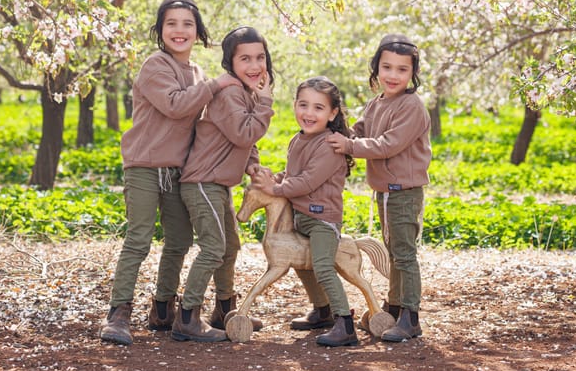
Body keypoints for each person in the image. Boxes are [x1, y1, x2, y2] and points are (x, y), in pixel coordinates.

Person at [99, 0, 238, 346]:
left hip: (178, 170)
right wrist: (216, 85)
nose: (180, 30)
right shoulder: (155, 65)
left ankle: (163, 308)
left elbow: (204, 122)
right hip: (144, 166)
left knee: (179, 240)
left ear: (198, 31)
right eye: (171, 24)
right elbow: (175, 105)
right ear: (160, 30)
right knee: (139, 238)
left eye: (188, 24)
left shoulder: (197, 72)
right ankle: (118, 314)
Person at [172, 26, 274, 342]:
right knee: (214, 248)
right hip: (202, 183)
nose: (255, 66)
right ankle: (186, 317)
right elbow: (244, 133)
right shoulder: (230, 93)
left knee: (230, 247)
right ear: (230, 62)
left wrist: (252, 164)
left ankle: (225, 310)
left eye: (260, 58)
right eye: (245, 59)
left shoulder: (244, 93)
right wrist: (266, 103)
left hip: (218, 185)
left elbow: (244, 141)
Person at [326, 34, 431, 342]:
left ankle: (411, 317)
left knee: (404, 254)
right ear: (376, 68)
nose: (393, 75)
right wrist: (332, 127)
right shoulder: (377, 103)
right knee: (394, 252)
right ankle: (393, 307)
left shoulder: (411, 106)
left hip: (404, 192)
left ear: (413, 73)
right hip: (385, 191)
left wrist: (349, 146)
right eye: (387, 67)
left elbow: (387, 145)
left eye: (402, 69)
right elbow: (361, 130)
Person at [250, 76, 358, 347]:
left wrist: (276, 190)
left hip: (322, 219)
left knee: (322, 266)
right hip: (301, 217)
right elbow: (294, 174)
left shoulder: (329, 144)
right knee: (302, 266)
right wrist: (276, 178)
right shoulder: (297, 140)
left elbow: (308, 181)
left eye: (318, 108)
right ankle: (322, 310)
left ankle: (345, 323)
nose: (309, 113)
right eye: (303, 105)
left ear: (332, 113)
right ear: (295, 105)